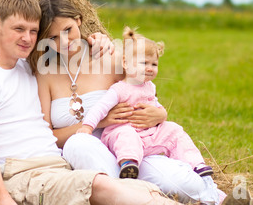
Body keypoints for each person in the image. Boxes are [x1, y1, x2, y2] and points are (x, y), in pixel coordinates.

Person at [0, 0, 197, 205]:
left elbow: (133, 78)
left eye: (32, 31)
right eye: (19, 29)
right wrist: (2, 200)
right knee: (100, 185)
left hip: (58, 166)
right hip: (26, 174)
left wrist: (98, 40)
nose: (27, 38)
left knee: (137, 187)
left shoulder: (27, 67)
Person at [31, 0, 224, 205]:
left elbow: (144, 95)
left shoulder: (109, 57)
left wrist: (161, 115)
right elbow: (47, 136)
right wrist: (101, 122)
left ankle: (203, 198)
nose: (65, 41)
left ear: (79, 20)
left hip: (129, 150)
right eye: (54, 37)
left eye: (68, 30)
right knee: (78, 143)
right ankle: (139, 198)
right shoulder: (45, 74)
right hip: (88, 158)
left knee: (190, 186)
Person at [76, 27, 213, 180]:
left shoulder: (150, 87)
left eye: (154, 65)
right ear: (126, 64)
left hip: (147, 135)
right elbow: (100, 108)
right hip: (120, 135)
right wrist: (87, 126)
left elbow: (155, 104)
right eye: (144, 63)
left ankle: (195, 163)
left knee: (175, 129)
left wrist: (161, 114)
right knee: (125, 134)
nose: (149, 68)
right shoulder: (119, 89)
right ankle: (129, 163)